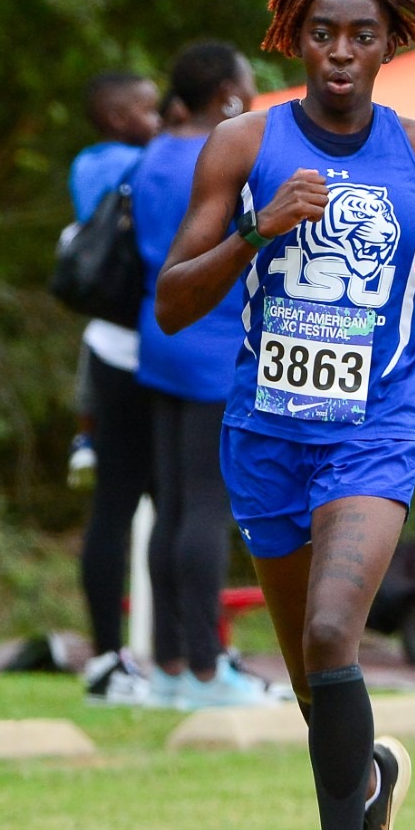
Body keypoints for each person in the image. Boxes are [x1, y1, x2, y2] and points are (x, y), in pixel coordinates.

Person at [155, 0, 415, 830]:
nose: (341, 53)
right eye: (322, 34)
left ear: (392, 44)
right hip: (266, 431)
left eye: (362, 36)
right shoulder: (241, 145)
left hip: (374, 425)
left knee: (329, 630)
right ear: (293, 41)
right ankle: (373, 786)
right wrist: (258, 229)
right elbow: (173, 303)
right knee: (316, 682)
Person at [130, 42, 275, 709]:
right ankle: (209, 670)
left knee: (171, 507)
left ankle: (166, 664)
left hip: (160, 339)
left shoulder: (154, 152)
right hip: (216, 345)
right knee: (207, 510)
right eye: (247, 84)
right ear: (225, 94)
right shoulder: (220, 157)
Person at [66, 72, 163, 703]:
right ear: (119, 114)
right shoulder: (152, 165)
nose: (158, 119)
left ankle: (106, 652)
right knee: (180, 508)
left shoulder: (85, 167)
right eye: (149, 109)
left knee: (112, 508)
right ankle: (187, 654)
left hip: (104, 347)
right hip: (155, 351)